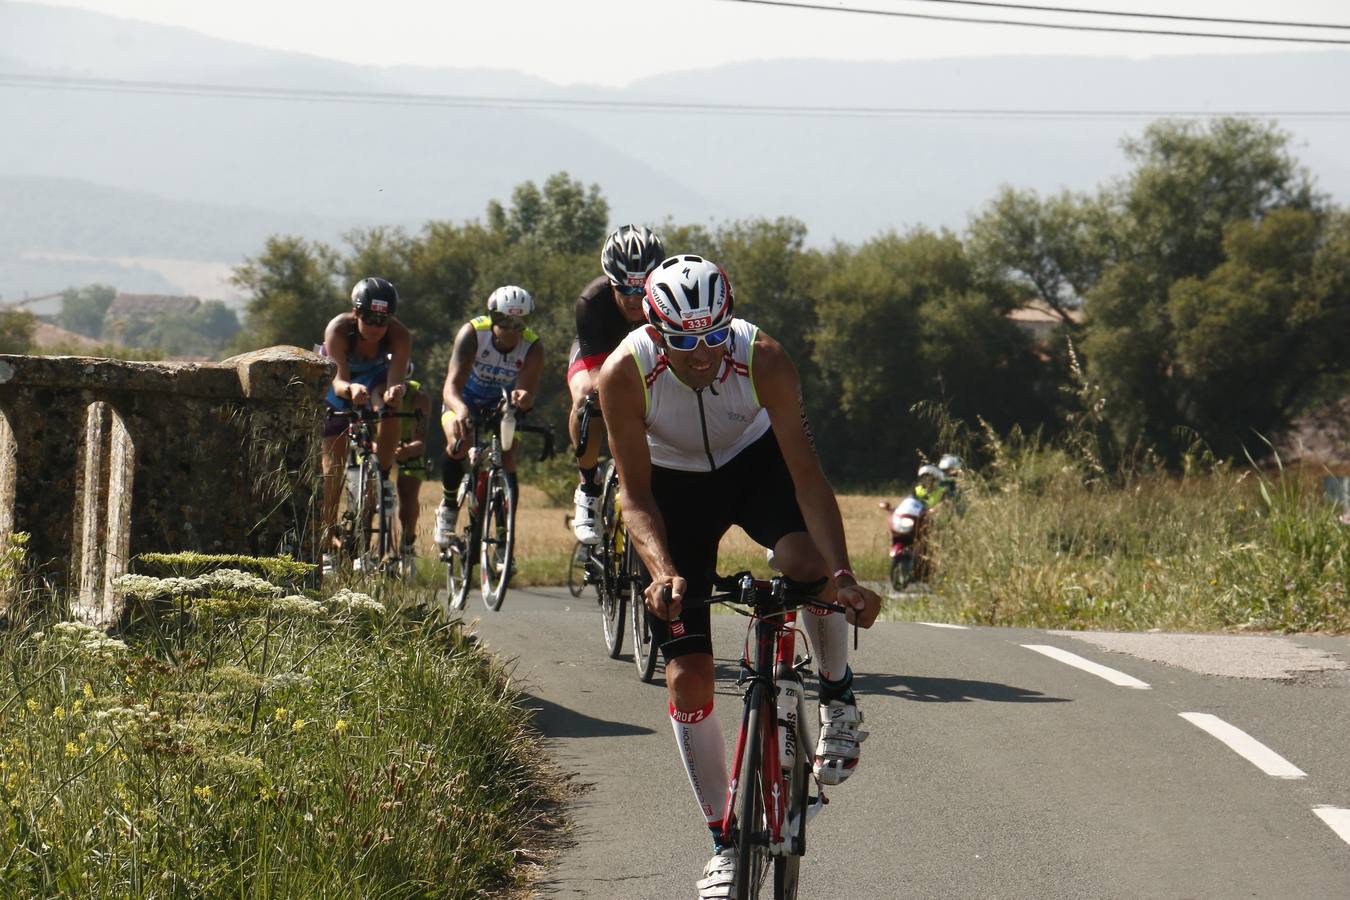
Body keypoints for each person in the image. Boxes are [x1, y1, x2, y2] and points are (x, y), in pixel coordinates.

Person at [597, 254, 882, 899]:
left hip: (754, 466)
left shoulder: (765, 359)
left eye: (714, 337)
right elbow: (635, 498)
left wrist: (842, 575)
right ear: (654, 327)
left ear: (729, 321)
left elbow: (806, 478)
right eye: (684, 342)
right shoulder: (625, 373)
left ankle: (837, 695)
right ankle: (724, 842)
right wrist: (664, 571)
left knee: (805, 566)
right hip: (675, 488)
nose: (702, 356)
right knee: (688, 674)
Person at [567, 224, 666, 544]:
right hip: (599, 354)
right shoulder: (591, 302)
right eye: (626, 290)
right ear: (611, 282)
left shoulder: (668, 301)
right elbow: (599, 377)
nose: (636, 300)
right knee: (589, 398)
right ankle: (588, 487)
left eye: (643, 289)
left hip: (646, 356)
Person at [433, 286, 543, 548]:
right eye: (504, 322)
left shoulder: (533, 347)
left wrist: (524, 399)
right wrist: (460, 410)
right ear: (493, 318)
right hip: (464, 399)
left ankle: (505, 534)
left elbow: (526, 392)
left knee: (507, 455)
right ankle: (448, 508)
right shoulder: (473, 333)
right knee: (457, 444)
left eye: (518, 323)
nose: (511, 330)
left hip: (501, 405)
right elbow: (451, 386)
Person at [320, 277, 412, 570]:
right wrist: (350, 391)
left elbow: (396, 379)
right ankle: (325, 539)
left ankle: (382, 474)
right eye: (370, 318)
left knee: (389, 404)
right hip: (340, 384)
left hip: (374, 379)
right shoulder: (338, 329)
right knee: (332, 469)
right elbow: (337, 381)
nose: (376, 327)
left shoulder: (399, 335)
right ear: (356, 313)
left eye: (383, 320)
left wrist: (395, 391)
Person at [393, 362, 431, 563]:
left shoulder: (419, 395)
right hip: (378, 445)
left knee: (407, 494)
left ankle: (407, 541)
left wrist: (407, 450)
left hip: (408, 448)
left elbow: (421, 440)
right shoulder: (374, 387)